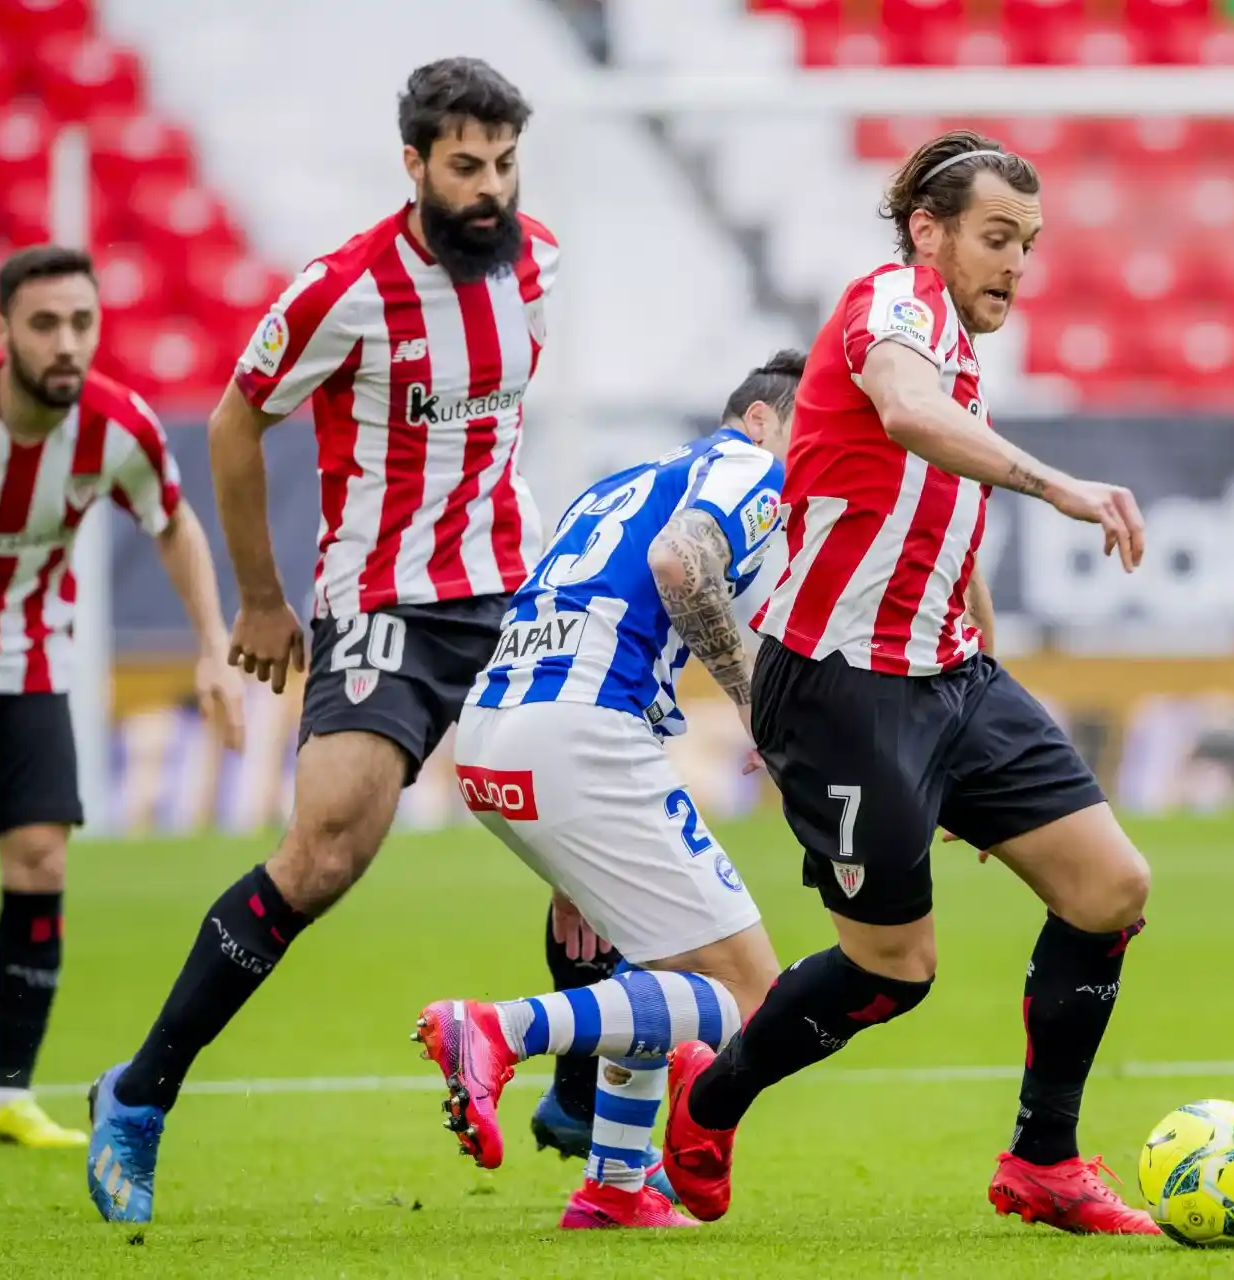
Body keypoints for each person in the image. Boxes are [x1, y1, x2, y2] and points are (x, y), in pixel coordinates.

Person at [657, 130, 1159, 1237]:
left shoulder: (960, 354)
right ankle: (713, 1096)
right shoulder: (893, 302)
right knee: (894, 967)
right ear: (927, 232)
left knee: (1110, 886)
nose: (1015, 265)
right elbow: (903, 411)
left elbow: (940, 528)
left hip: (953, 678)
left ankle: (1045, 1159)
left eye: (1027, 244)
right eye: (995, 238)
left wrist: (981, 743)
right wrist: (1060, 484)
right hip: (839, 686)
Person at [85, 58, 560, 1224]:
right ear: (413, 164)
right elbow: (241, 419)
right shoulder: (341, 289)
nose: (489, 188)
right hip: (385, 600)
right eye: (465, 166)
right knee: (329, 846)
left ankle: (591, 1093)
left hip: (509, 587)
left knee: (585, 812)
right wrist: (258, 596)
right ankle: (138, 1094)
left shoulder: (537, 259)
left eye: (503, 163)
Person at [412, 352, 800, 1231]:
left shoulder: (621, 484)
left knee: (655, 969)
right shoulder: (750, 466)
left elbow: (583, 611)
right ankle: (500, 1030)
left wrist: (570, 870)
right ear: (762, 420)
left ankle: (616, 1188)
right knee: (756, 1003)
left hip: (496, 734)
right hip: (580, 734)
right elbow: (677, 565)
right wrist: (756, 710)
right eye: (809, 432)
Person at [0, 246, 242, 1149]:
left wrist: (212, 647)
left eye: (82, 323)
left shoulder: (116, 427)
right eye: (45, 324)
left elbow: (173, 524)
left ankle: (8, 1096)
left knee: (41, 859)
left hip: (31, 669)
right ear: (4, 329)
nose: (66, 343)